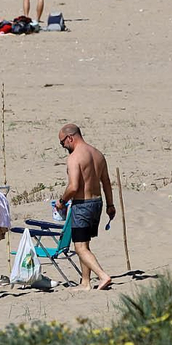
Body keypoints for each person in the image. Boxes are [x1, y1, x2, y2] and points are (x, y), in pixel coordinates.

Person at [53, 124, 115, 290]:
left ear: (70, 138)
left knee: (79, 247)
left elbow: (73, 187)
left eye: (62, 143)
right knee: (84, 244)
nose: (63, 146)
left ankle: (102, 276)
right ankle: (85, 282)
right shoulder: (98, 154)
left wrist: (61, 201)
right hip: (97, 203)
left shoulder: (74, 158)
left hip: (82, 205)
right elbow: (106, 182)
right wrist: (110, 205)